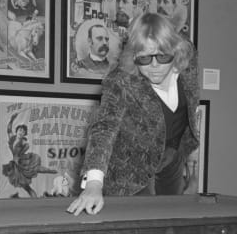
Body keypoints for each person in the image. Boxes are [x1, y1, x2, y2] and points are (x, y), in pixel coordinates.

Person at [67, 13, 200, 216]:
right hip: (130, 166)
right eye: (144, 58)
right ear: (134, 55)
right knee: (139, 224)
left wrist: (192, 161)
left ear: (175, 50)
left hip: (172, 156)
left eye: (163, 56)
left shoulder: (188, 61)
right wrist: (93, 184)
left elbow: (192, 105)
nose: (154, 66)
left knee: (171, 219)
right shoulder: (120, 81)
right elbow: (104, 128)